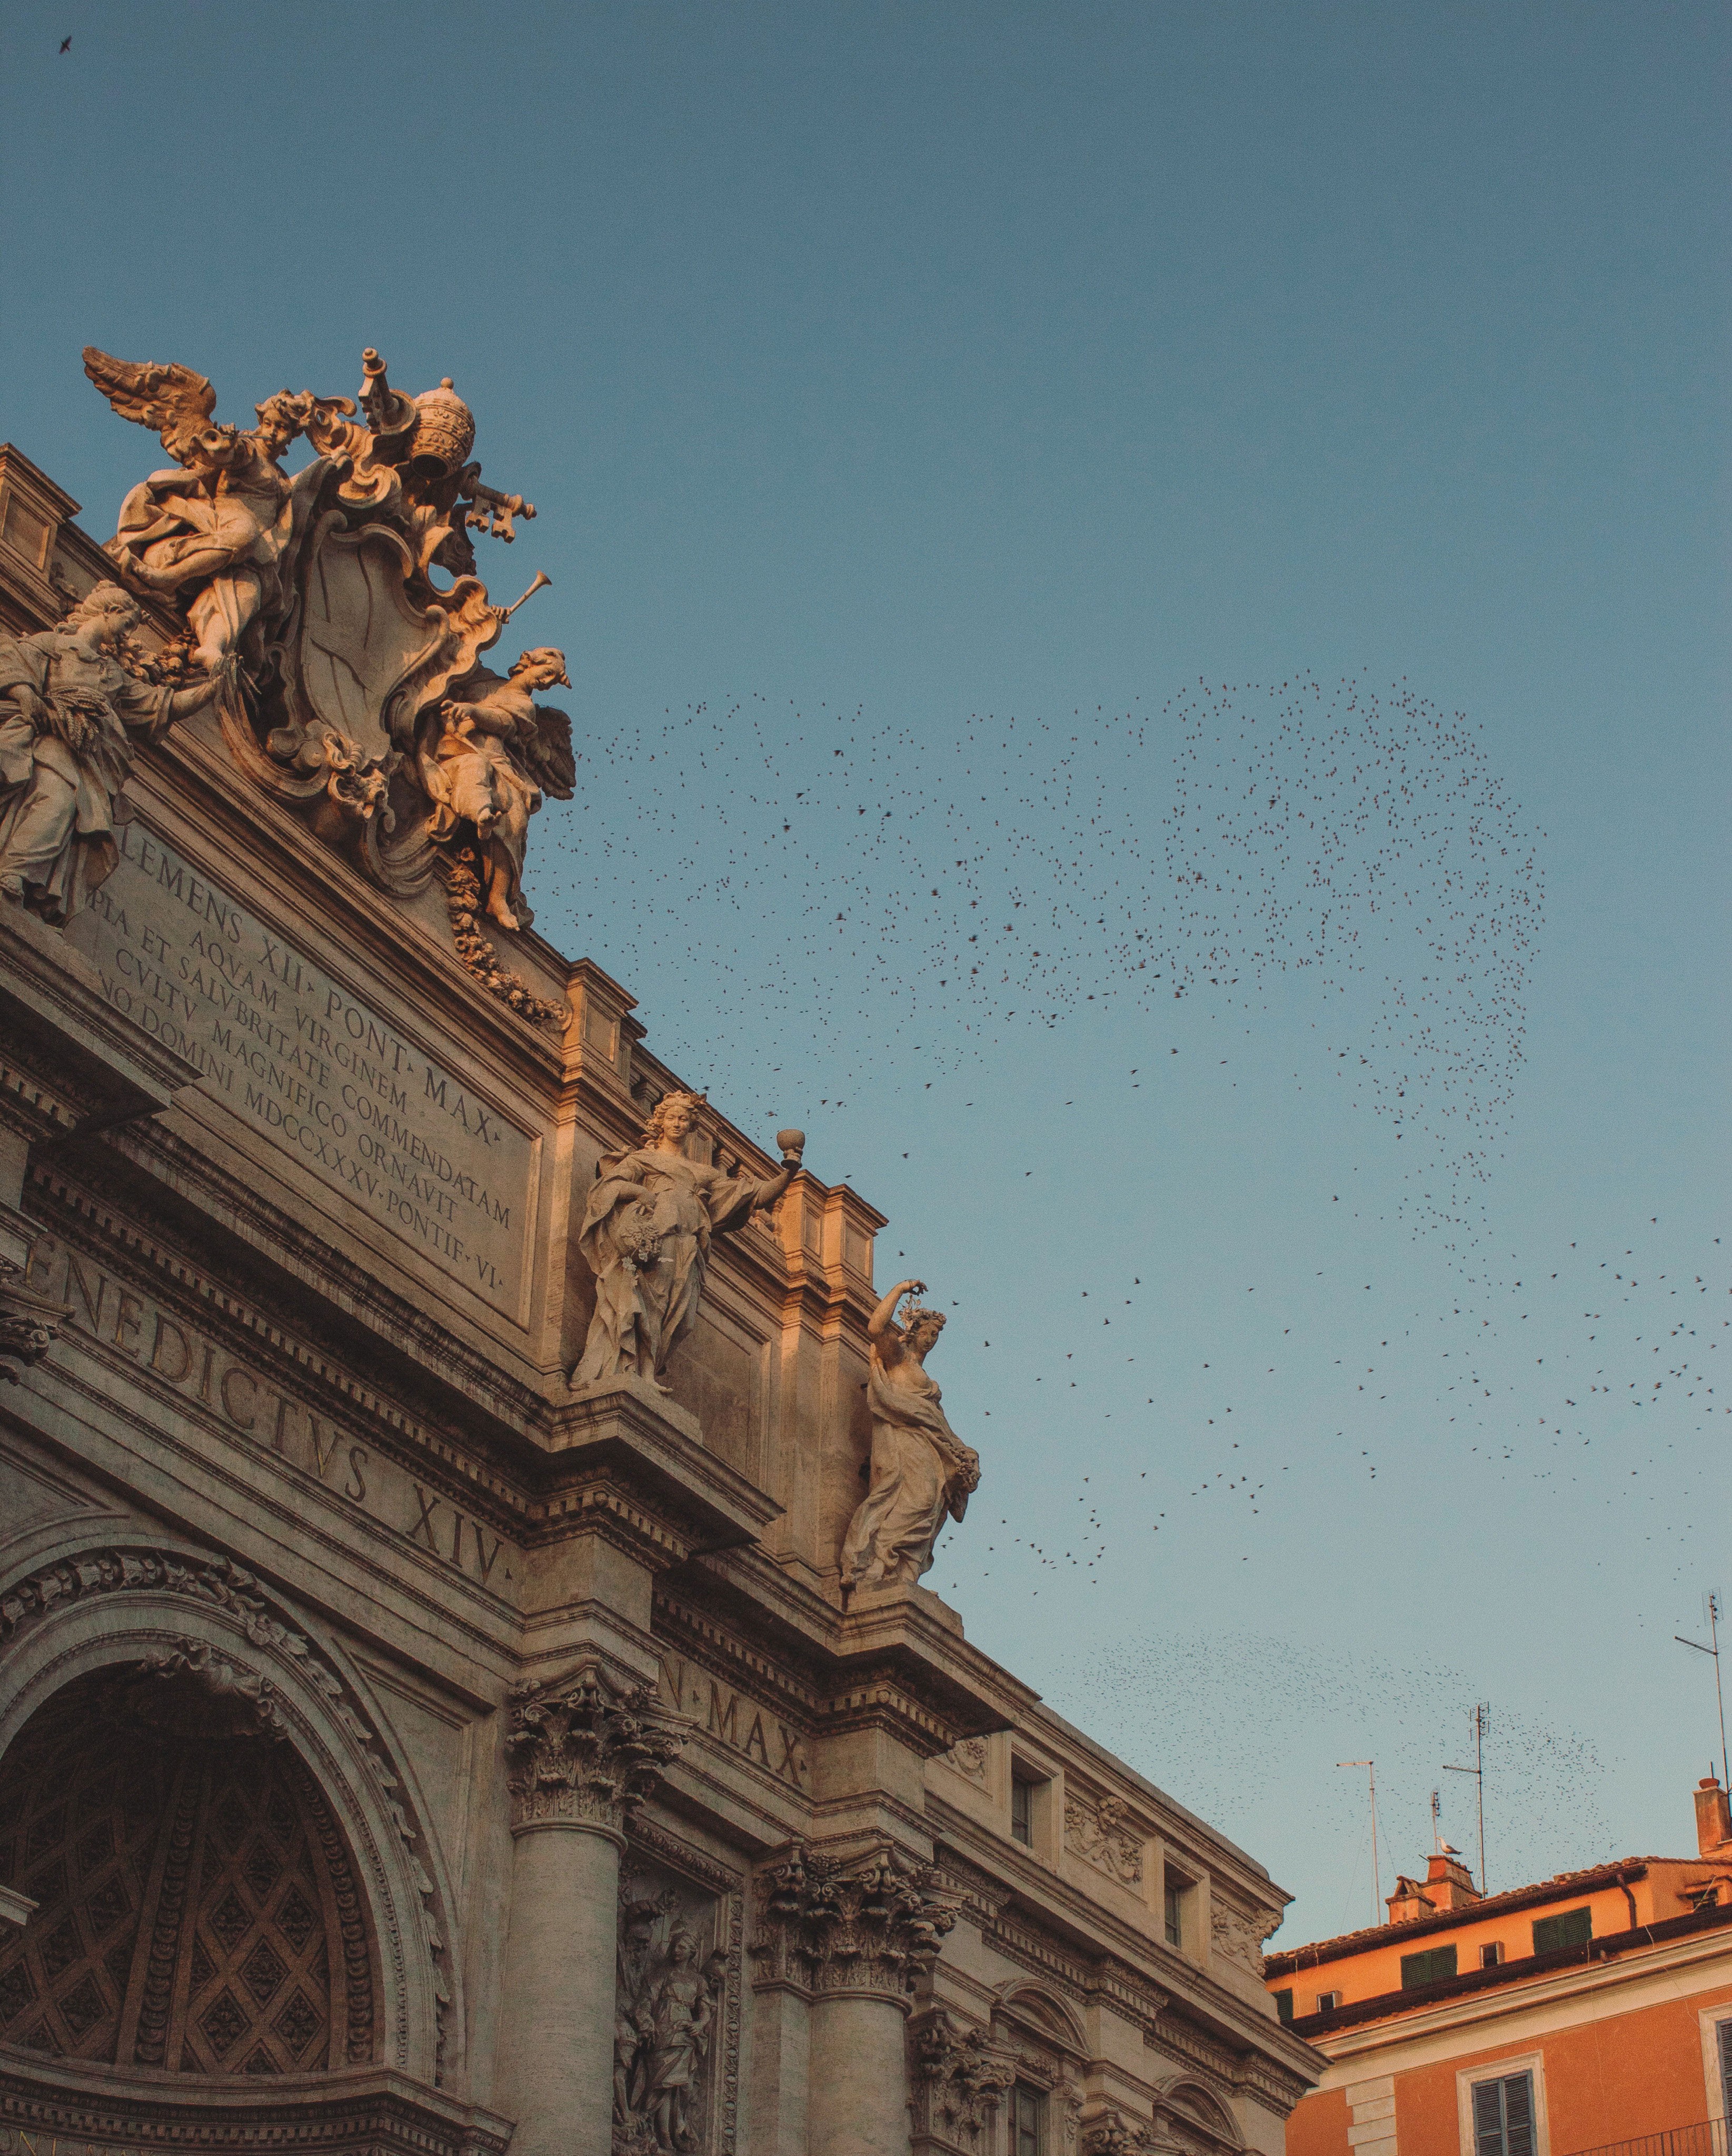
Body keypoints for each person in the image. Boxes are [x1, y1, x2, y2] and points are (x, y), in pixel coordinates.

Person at [0, 583, 222, 921]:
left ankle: (15, 871)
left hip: (80, 752)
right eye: (127, 624)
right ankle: (13, 871)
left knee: (61, 804)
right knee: (56, 801)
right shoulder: (54, 644)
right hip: (45, 737)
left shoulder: (112, 674)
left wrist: (213, 688)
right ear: (109, 612)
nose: (127, 635)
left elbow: (160, 705)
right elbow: (11, 657)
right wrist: (27, 696)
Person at [571, 1093, 800, 1393]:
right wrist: (640, 1193)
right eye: (672, 1118)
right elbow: (609, 1186)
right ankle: (637, 1372)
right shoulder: (643, 1160)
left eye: (683, 1119)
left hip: (690, 1246)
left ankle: (649, 1370)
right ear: (661, 1123)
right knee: (648, 1307)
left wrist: (789, 1171)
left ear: (691, 1126)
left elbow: (755, 1196)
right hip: (658, 1240)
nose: (677, 1124)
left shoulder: (704, 1174)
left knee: (682, 1320)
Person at [840, 1279, 980, 1593]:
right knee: (917, 1499)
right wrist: (900, 1289)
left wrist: (963, 1451)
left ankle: (905, 1573)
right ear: (914, 1331)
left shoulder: (926, 1378)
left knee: (933, 1504)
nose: (931, 1339)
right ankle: (876, 1564)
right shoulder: (898, 1357)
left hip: (928, 1441)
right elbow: (876, 1328)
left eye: (936, 1335)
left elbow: (937, 1420)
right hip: (902, 1437)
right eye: (927, 1332)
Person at [422, 648, 574, 931]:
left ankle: (498, 897)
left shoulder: (525, 705)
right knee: (474, 768)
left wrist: (472, 711)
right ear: (529, 663)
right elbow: (457, 662)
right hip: (457, 749)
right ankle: (482, 815)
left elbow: (502, 722)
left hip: (500, 764)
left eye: (552, 680)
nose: (546, 682)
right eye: (546, 673)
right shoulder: (486, 680)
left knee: (516, 818)